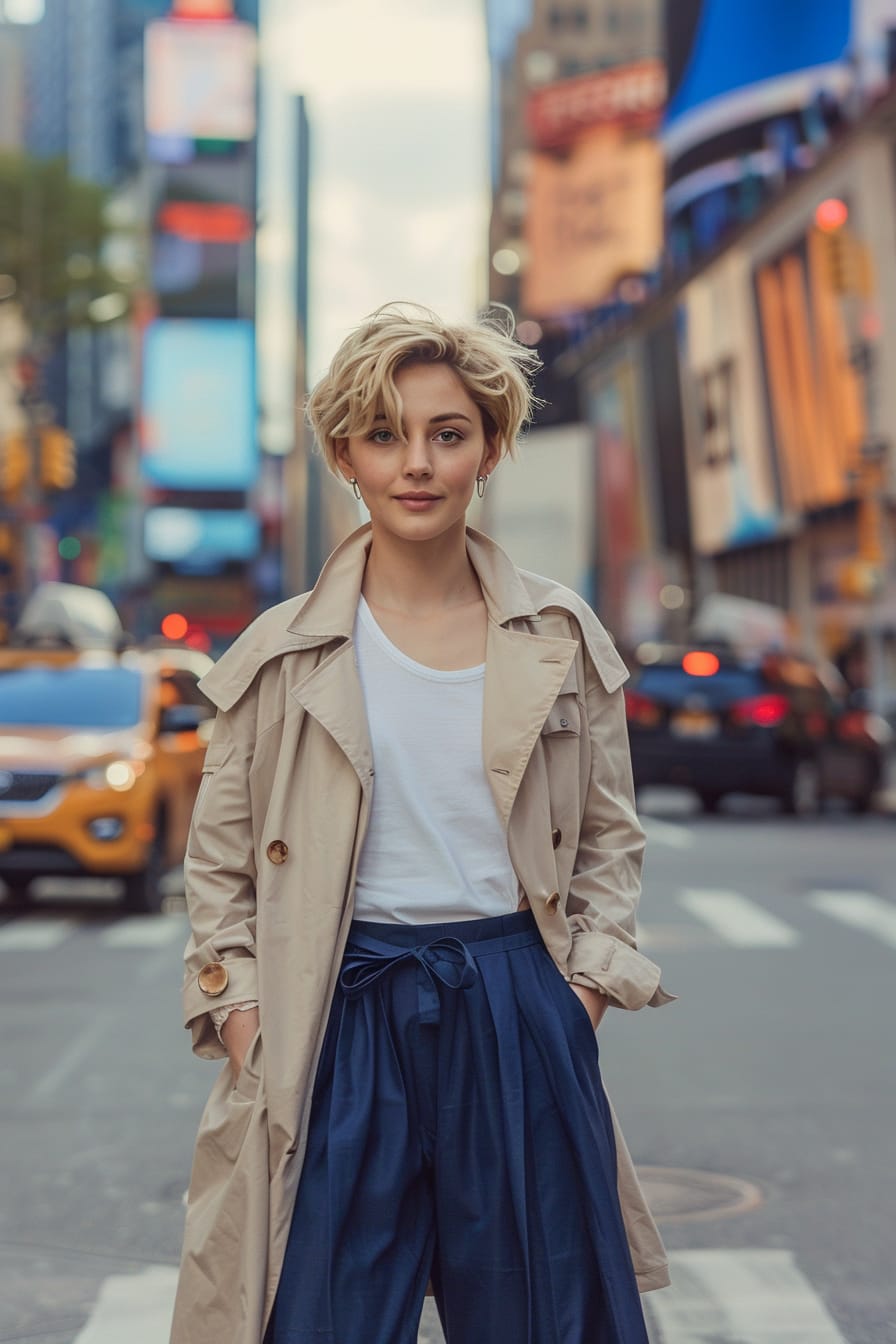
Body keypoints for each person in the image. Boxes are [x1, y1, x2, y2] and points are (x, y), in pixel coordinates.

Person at [170, 304, 674, 1344]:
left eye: (447, 434)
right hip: (337, 1013)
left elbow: (607, 839)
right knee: (318, 1320)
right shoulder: (280, 653)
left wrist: (576, 995)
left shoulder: (555, 633)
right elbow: (217, 873)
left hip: (513, 1004)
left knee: (544, 1320)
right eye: (385, 434)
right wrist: (246, 1025)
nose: (417, 463)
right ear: (345, 455)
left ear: (488, 448)